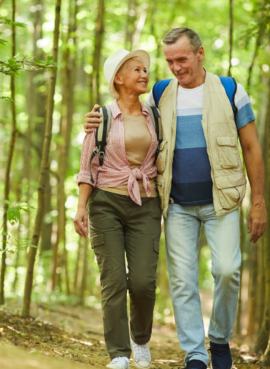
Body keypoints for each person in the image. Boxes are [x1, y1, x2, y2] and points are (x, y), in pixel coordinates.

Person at [83, 28, 267, 369]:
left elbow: (252, 148)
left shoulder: (230, 90)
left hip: (222, 201)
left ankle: (220, 341)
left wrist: (258, 202)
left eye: (181, 59)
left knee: (227, 270)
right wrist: (95, 118)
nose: (175, 68)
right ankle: (195, 353)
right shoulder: (161, 93)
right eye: (169, 61)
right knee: (183, 281)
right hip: (176, 204)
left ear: (199, 54)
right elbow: (127, 110)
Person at [74, 48, 162, 369]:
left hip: (146, 203)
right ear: (119, 79)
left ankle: (140, 340)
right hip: (106, 204)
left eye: (144, 70)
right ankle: (119, 354)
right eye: (136, 70)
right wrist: (81, 208)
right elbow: (87, 168)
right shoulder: (102, 117)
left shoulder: (155, 114)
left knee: (142, 281)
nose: (143, 74)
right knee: (113, 280)